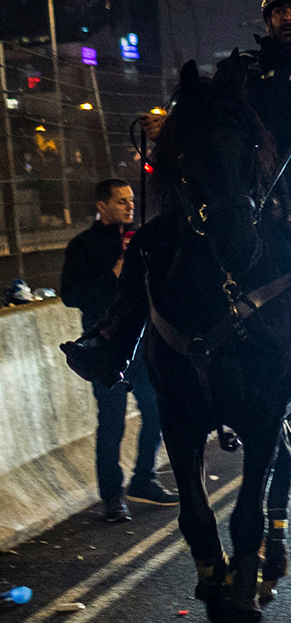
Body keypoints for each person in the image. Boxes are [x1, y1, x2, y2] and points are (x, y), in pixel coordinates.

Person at [64, 0, 291, 385]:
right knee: (150, 242)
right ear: (269, 20)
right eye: (279, 12)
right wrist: (170, 126)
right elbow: (207, 115)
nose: (287, 18)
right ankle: (112, 342)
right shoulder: (240, 67)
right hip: (243, 193)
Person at [59, 179, 177, 521]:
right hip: (106, 347)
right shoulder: (83, 245)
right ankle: (112, 497)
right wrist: (113, 273)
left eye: (131, 200)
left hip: (144, 343)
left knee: (156, 411)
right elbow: (72, 295)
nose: (130, 206)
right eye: (122, 201)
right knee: (111, 423)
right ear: (102, 206)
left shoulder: (141, 239)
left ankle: (145, 479)